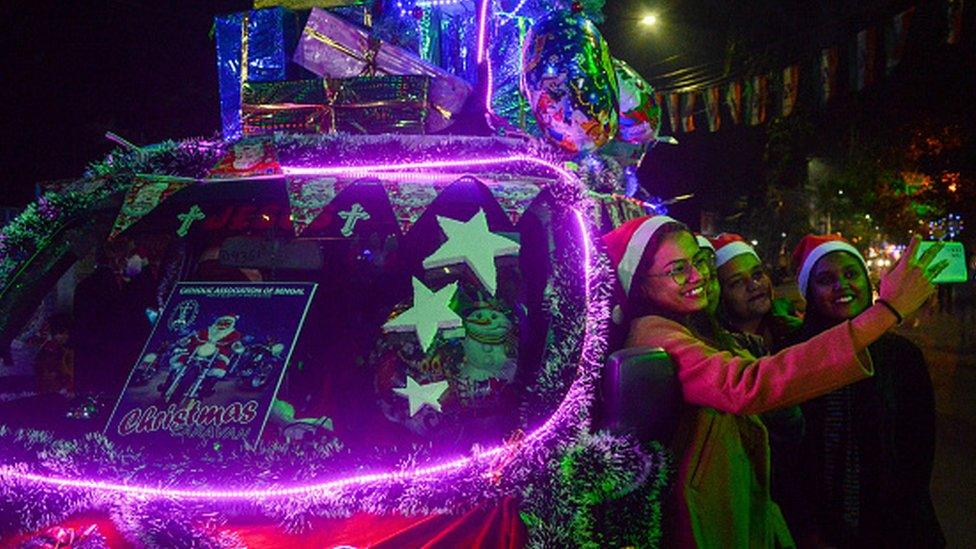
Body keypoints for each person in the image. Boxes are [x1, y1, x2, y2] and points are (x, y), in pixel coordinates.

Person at [600, 215, 945, 548]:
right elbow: (748, 385)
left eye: (699, 260)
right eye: (678, 269)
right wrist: (886, 310)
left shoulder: (696, 327)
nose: (698, 276)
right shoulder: (657, 333)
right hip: (714, 518)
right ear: (640, 283)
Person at [788, 234, 944, 547]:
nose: (841, 286)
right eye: (825, 279)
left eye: (851, 273)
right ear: (809, 292)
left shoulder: (902, 356)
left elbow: (918, 449)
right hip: (819, 529)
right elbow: (793, 459)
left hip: (895, 528)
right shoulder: (794, 357)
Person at [710, 233, 801, 352]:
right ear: (719, 293)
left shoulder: (796, 332)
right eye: (737, 282)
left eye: (757, 274)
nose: (753, 285)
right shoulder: (715, 350)